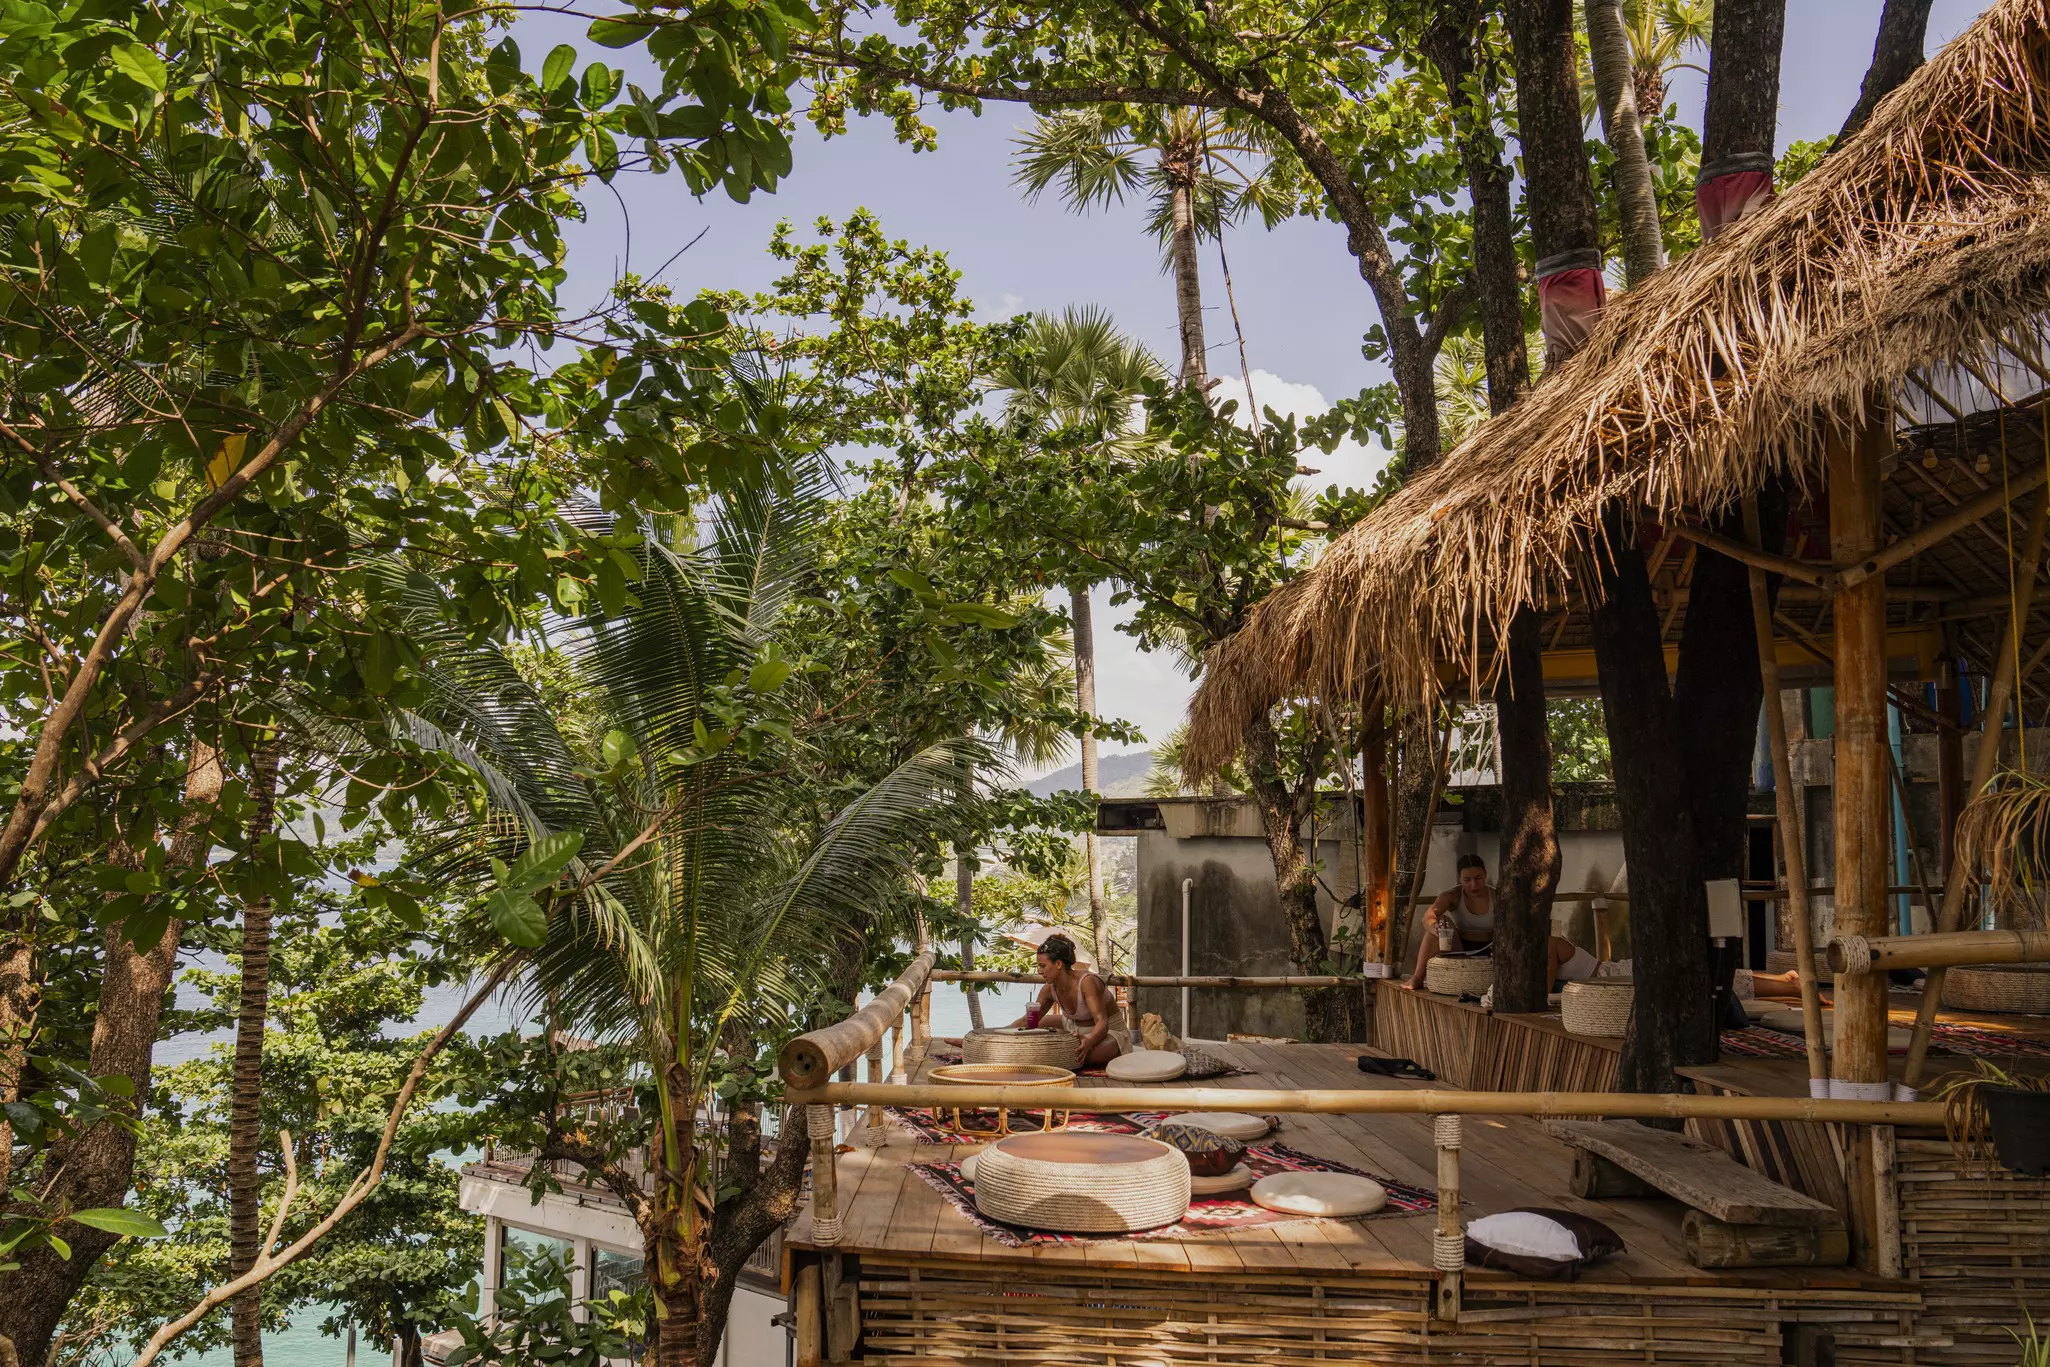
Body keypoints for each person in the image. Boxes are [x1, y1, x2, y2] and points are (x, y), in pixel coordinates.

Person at [1010, 933, 1127, 1067]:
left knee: (1077, 1055)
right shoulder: (1049, 989)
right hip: (1074, 1027)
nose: (1039, 971)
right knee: (1039, 1022)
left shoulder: (1087, 983)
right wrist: (997, 1033)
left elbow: (1102, 1023)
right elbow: (1027, 1021)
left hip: (1107, 1032)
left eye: (1043, 966)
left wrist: (1089, 1040)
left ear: (1058, 964)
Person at [1408, 853, 1495, 987]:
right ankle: (1418, 977)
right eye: (1467, 880)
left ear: (1485, 874)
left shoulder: (1497, 896)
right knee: (1442, 921)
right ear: (1459, 878)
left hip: (1491, 949)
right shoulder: (1452, 896)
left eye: (1478, 878)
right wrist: (1436, 929)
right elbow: (1428, 917)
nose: (1474, 885)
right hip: (1459, 949)